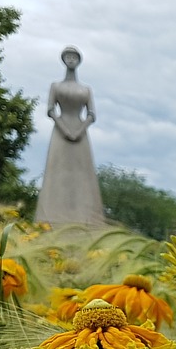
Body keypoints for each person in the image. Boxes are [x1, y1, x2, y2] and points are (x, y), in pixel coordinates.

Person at [35, 46, 104, 224]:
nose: (71, 60)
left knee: (82, 177)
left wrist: (79, 131)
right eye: (68, 57)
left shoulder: (86, 89)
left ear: (78, 61)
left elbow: (92, 113)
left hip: (80, 134)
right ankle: (50, 218)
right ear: (64, 60)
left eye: (74, 57)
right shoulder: (56, 86)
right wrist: (64, 129)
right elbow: (50, 110)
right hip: (60, 133)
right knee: (57, 174)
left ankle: (88, 220)